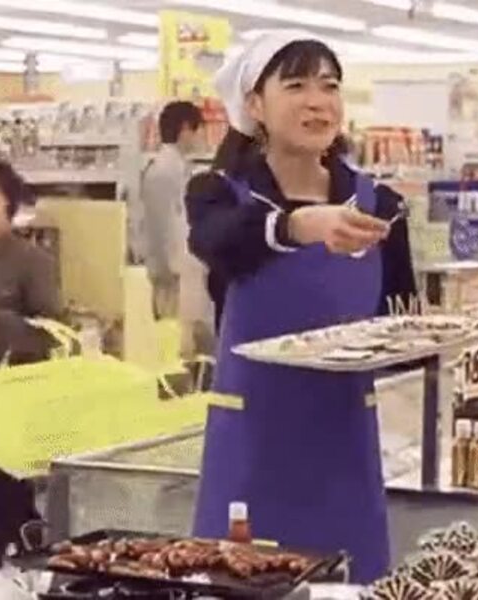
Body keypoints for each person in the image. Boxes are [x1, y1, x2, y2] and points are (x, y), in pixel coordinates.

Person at [185, 32, 416, 583]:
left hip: (343, 440)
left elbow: (403, 318)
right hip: (254, 440)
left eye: (329, 86)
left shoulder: (379, 204)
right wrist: (296, 225)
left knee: (351, 583)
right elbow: (219, 241)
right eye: (296, 86)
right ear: (255, 104)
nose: (317, 101)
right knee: (240, 580)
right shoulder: (218, 194)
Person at [0, 160, 62, 595]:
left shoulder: (30, 261)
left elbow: (53, 329)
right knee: (8, 501)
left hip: (14, 401)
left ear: (11, 208)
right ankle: (50, 566)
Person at [141, 101, 216, 357]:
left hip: (182, 272)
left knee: (187, 342)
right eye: (199, 130)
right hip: (172, 277)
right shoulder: (163, 172)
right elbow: (161, 226)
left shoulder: (176, 168)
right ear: (185, 129)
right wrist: (168, 271)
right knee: (175, 345)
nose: (201, 137)